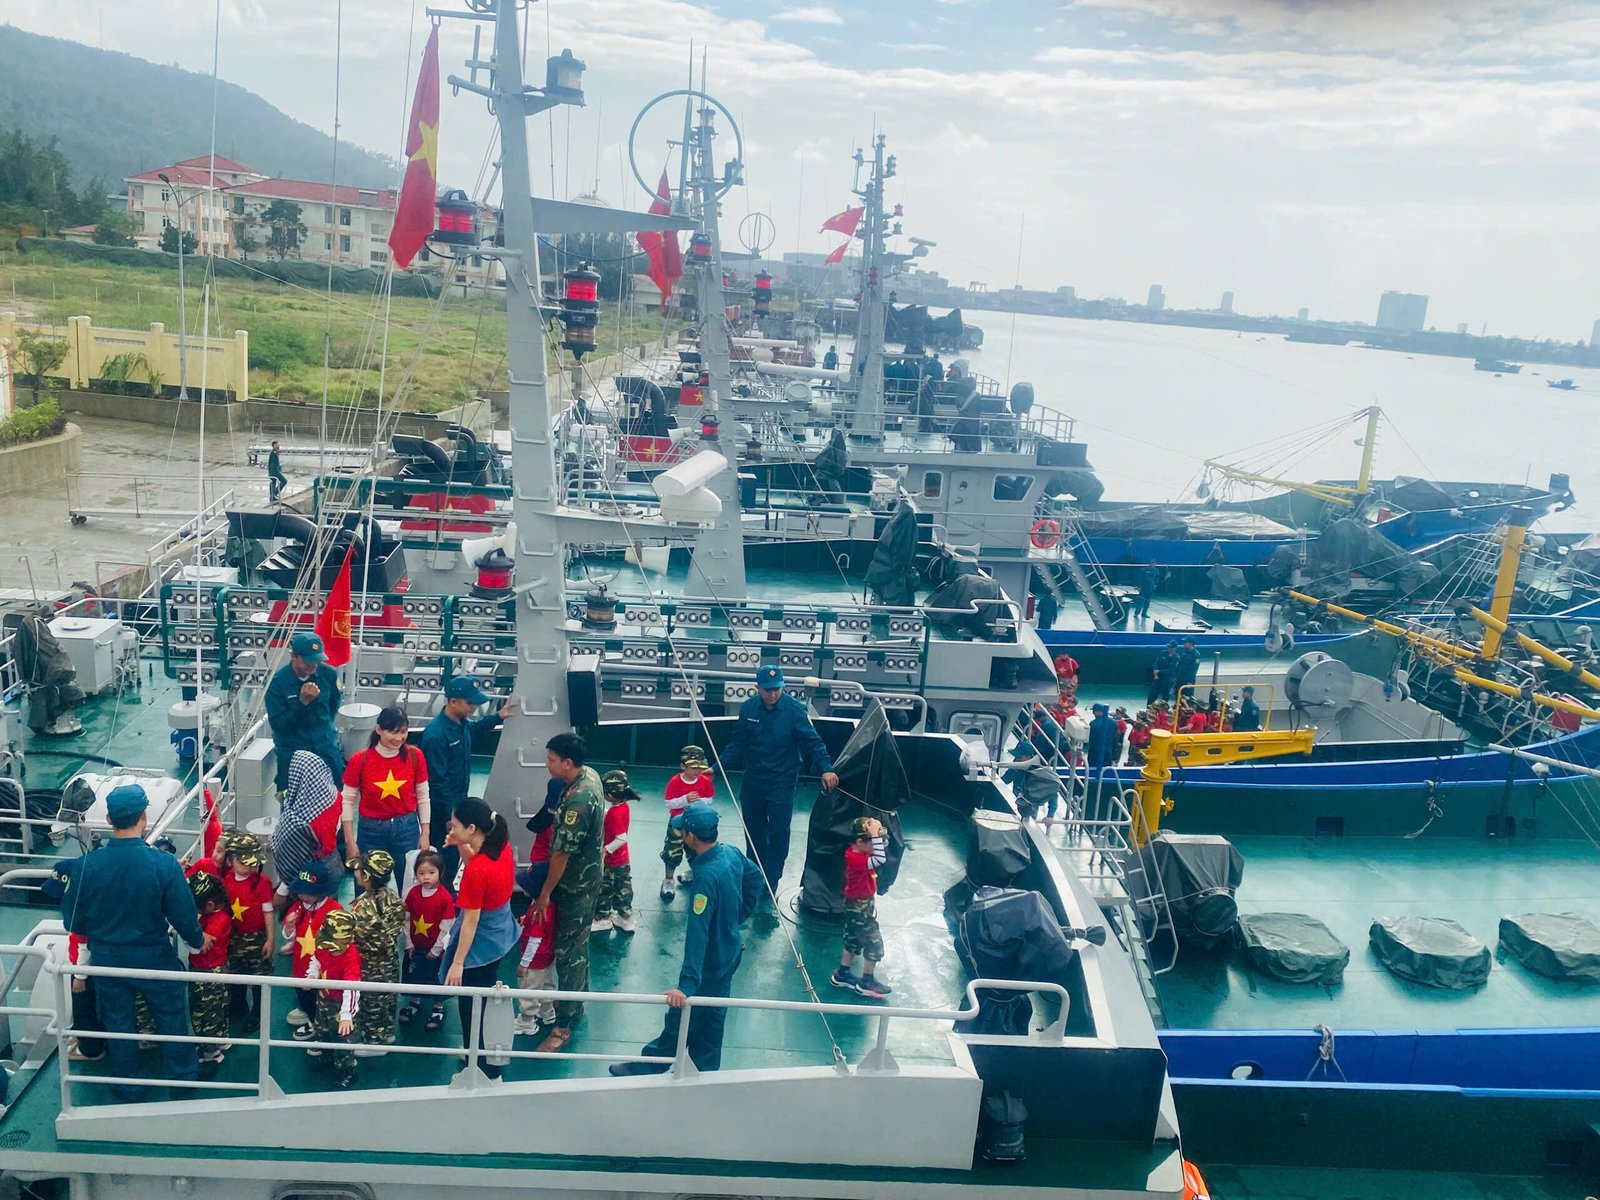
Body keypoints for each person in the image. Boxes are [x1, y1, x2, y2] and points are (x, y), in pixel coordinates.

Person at [66, 783, 206, 1101]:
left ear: (109, 819)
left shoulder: (86, 866)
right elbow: (184, 917)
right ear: (144, 816)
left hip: (107, 961)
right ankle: (182, 1080)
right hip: (154, 957)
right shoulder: (164, 864)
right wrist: (197, 944)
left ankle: (129, 1085)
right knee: (171, 1017)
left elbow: (73, 922)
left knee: (118, 1023)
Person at [610, 804, 764, 1076]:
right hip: (730, 953)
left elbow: (698, 934)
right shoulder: (730, 852)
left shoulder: (705, 877)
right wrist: (738, 916)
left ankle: (648, 1067)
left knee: (681, 1019)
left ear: (691, 836)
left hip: (710, 964)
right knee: (714, 1018)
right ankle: (705, 1070)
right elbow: (755, 878)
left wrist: (686, 987)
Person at [719, 666, 839, 893]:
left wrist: (826, 769)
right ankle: (754, 873)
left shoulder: (795, 711)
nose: (773, 694)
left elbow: (813, 742)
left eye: (777, 689)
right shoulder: (748, 709)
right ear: (758, 688)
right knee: (753, 831)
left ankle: (771, 879)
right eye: (768, 690)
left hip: (782, 783)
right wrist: (717, 768)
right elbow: (737, 744)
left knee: (779, 832)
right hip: (753, 781)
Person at [531, 732, 605, 1053]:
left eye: (551, 759)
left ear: (568, 763)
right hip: (589, 878)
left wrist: (545, 893)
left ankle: (562, 1026)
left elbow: (561, 853)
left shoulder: (578, 801)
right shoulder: (590, 775)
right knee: (579, 943)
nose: (547, 764)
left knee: (568, 953)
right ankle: (578, 1002)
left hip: (576, 886)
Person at [442, 798, 518, 1079]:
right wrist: (459, 843)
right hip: (501, 932)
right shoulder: (500, 845)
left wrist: (458, 963)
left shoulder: (478, 871)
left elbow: (471, 921)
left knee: (472, 1005)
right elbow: (476, 860)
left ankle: (485, 1069)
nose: (451, 828)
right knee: (485, 1000)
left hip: (482, 942)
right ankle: (478, 1055)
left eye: (456, 826)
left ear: (472, 828)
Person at [419, 677, 510, 882]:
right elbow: (437, 782)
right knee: (444, 857)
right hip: (443, 812)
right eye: (470, 702)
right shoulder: (436, 735)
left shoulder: (461, 724)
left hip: (457, 804)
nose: (474, 706)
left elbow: (474, 729)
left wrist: (498, 717)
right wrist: (449, 817)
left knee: (454, 852)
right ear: (453, 701)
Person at [342, 705, 430, 868]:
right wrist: (350, 841)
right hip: (370, 831)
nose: (399, 738)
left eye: (403, 732)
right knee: (369, 880)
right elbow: (347, 801)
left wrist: (425, 833)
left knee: (408, 879)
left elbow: (423, 796)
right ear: (379, 730)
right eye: (393, 732)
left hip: (407, 828)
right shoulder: (359, 760)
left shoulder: (415, 756)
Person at [265, 632, 344, 795]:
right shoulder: (277, 684)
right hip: (293, 753)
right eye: (308, 661)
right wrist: (302, 703)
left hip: (325, 747)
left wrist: (324, 729)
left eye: (317, 661)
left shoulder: (328, 675)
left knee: (337, 795)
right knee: (289, 800)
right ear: (294, 656)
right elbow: (278, 725)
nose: (313, 666)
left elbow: (333, 705)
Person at [44, 857, 105, 1063]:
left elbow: (83, 943)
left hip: (84, 970)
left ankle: (90, 1049)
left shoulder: (79, 911)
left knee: (83, 1009)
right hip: (91, 965)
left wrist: (80, 976)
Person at [272, 750, 345, 912]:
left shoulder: (300, 822)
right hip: (333, 864)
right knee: (328, 912)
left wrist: (282, 891)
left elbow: (296, 861)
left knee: (308, 916)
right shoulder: (333, 797)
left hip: (311, 877)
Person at [349, 850, 406, 1054]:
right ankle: (386, 1032)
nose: (355, 872)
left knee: (371, 1001)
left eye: (359, 869)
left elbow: (356, 934)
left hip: (370, 964)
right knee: (386, 999)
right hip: (389, 960)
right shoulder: (392, 897)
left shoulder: (365, 906)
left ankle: (375, 1043)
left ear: (366, 876)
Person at [831, 817, 892, 999]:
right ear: (860, 842)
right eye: (873, 842)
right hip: (860, 908)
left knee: (852, 939)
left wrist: (875, 834)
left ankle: (842, 974)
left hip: (855, 905)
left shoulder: (858, 853)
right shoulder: (856, 859)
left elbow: (879, 851)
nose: (877, 845)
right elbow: (880, 859)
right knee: (874, 943)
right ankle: (866, 981)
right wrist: (874, 834)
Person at [220, 832, 275, 1032]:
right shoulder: (225, 880)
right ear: (231, 861)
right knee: (235, 973)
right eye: (244, 863)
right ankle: (239, 1004)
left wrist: (270, 939)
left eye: (253, 864)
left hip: (256, 937)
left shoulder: (262, 883)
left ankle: (258, 1013)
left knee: (259, 978)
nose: (250, 868)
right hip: (234, 937)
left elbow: (268, 912)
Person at [281, 861, 343, 1039]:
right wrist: (289, 927)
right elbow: (288, 935)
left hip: (324, 971)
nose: (303, 896)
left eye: (309, 892)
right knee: (304, 998)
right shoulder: (297, 907)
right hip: (300, 967)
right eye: (300, 891)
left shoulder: (334, 910)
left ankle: (324, 1032)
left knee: (324, 1003)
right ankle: (312, 1023)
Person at [304, 908, 361, 1089]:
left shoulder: (351, 958)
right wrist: (312, 975)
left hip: (341, 1005)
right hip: (324, 999)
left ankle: (347, 1070)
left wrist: (346, 1015)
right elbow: (316, 960)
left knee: (343, 1039)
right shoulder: (324, 948)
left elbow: (352, 988)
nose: (330, 949)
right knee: (324, 1031)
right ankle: (327, 1056)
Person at [401, 851, 455, 1031]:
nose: (426, 877)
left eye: (431, 872)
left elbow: (447, 927)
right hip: (415, 948)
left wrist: (437, 949)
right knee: (413, 975)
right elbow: (407, 919)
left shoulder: (445, 898)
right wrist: (408, 943)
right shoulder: (413, 894)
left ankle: (438, 1007)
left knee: (436, 978)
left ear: (441, 872)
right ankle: (414, 1002)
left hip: (435, 952)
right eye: (421, 873)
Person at [187, 871, 232, 1066]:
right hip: (216, 969)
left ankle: (211, 1052)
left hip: (206, 973)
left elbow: (201, 947)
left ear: (210, 905)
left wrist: (186, 929)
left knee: (206, 1011)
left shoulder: (217, 922)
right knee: (218, 1006)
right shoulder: (220, 915)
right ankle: (221, 1039)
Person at [660, 745, 715, 900]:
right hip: (678, 823)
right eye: (694, 768)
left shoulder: (704, 781)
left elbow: (709, 799)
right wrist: (685, 800)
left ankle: (694, 873)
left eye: (700, 768)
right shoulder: (675, 782)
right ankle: (668, 880)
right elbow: (669, 803)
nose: (697, 771)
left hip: (696, 823)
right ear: (683, 766)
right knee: (672, 851)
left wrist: (699, 801)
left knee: (697, 851)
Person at [513, 860, 557, 1037]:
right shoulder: (548, 905)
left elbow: (535, 940)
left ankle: (526, 1021)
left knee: (528, 990)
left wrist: (524, 964)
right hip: (547, 957)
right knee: (546, 984)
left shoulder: (538, 912)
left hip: (534, 961)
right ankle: (547, 1013)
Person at [592, 770, 636, 934]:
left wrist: (605, 850)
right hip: (623, 859)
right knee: (623, 889)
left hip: (611, 861)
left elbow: (621, 838)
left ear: (610, 795)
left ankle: (603, 919)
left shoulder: (614, 814)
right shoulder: (623, 807)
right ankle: (626, 919)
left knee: (605, 889)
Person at [1086, 703, 1119, 775]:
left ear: (1096, 712)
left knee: (1092, 772)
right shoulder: (1113, 723)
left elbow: (1090, 740)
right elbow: (1116, 741)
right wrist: (1115, 758)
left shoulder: (1093, 724)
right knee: (1106, 772)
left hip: (1094, 753)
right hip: (1108, 752)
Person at [1175, 638, 1201, 704]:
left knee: (1187, 698)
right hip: (1180, 678)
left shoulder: (1196, 655)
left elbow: (1194, 670)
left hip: (1188, 680)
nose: (1184, 644)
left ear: (1191, 644)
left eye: (1185, 642)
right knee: (1178, 697)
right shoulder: (1184, 652)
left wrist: (1190, 681)